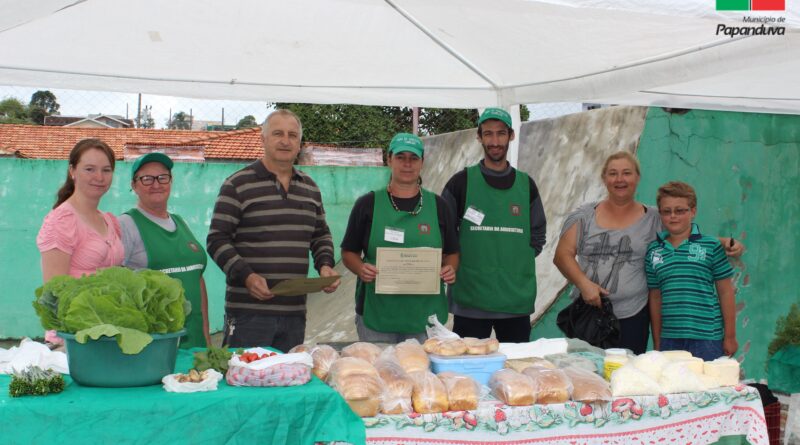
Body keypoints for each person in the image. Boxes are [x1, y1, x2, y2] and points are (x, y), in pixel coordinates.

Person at [553, 151, 743, 354]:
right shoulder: (583, 216)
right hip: (589, 314)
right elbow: (562, 255)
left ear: (637, 177)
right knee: (588, 375)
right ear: (604, 178)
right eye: (613, 173)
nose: (620, 179)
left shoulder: (654, 217)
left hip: (633, 316)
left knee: (629, 377)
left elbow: (682, 232)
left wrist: (722, 242)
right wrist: (584, 284)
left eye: (626, 173)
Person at [206, 109, 340, 352]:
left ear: (300, 143)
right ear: (263, 139)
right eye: (278, 133)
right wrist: (247, 276)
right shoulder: (237, 184)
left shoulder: (310, 188)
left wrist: (325, 265)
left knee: (285, 383)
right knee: (246, 384)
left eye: (292, 135)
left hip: (294, 313)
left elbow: (320, 234)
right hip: (248, 313)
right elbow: (217, 240)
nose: (285, 141)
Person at [341, 133, 459, 343]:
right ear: (389, 159)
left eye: (413, 158)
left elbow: (452, 252)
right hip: (378, 314)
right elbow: (348, 252)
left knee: (422, 374)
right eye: (400, 157)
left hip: (425, 318)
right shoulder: (367, 204)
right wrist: (360, 268)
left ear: (422, 162)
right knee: (379, 374)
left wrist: (450, 268)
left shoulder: (439, 206)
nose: (407, 164)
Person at [441, 108, 546, 343]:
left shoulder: (526, 185)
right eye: (488, 134)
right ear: (479, 137)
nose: (495, 141)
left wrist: (516, 260)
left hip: (515, 303)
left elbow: (538, 234)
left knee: (515, 373)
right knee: (466, 374)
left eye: (501, 133)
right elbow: (444, 234)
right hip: (470, 301)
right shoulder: (461, 182)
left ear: (511, 136)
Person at [36, 138, 125, 344]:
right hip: (71, 339)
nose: (99, 177)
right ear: (72, 171)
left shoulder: (109, 221)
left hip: (107, 334)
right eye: (89, 169)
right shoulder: (62, 221)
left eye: (106, 170)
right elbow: (54, 293)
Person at [119, 153, 210, 349]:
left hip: (195, 342)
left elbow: (197, 280)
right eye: (146, 179)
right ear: (134, 185)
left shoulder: (180, 222)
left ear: (170, 181)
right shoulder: (127, 224)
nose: (156, 184)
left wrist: (207, 341)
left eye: (162, 177)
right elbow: (119, 289)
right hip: (156, 345)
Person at [646, 181, 737, 361]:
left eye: (680, 210)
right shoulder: (653, 251)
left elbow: (726, 292)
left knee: (708, 387)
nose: (673, 216)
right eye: (666, 211)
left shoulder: (711, 246)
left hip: (707, 338)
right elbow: (655, 298)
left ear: (693, 211)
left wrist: (730, 336)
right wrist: (657, 342)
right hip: (670, 339)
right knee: (673, 388)